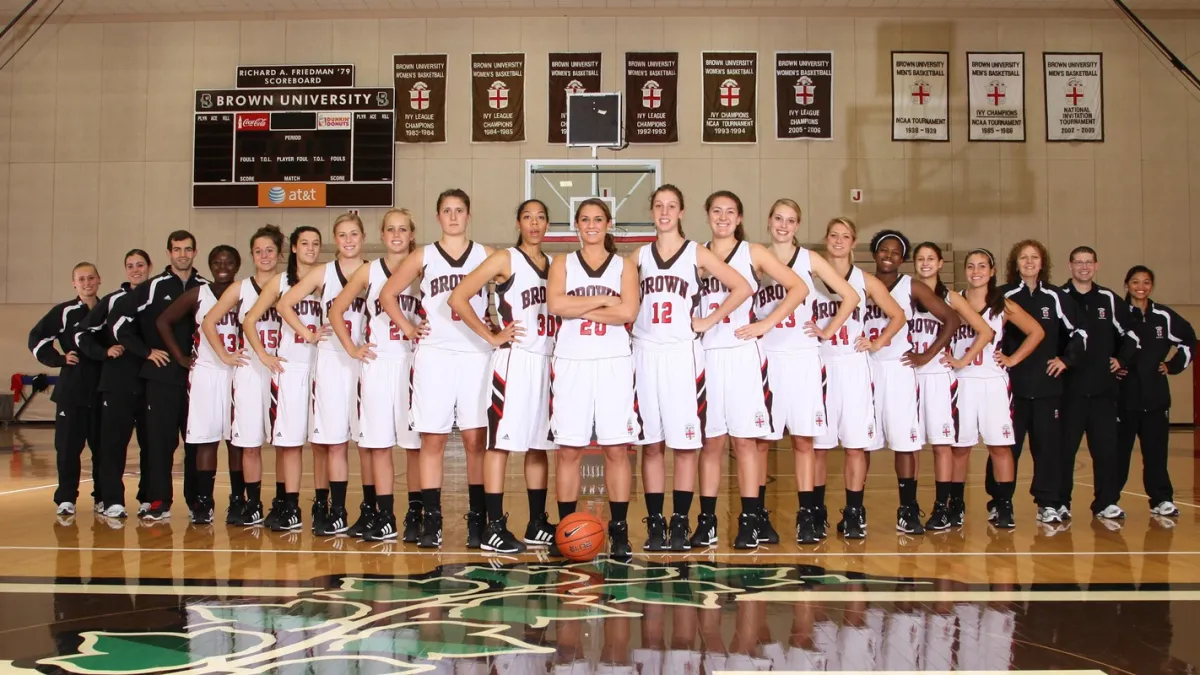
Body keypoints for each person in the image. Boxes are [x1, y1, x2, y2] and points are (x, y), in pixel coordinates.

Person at [631, 184, 751, 552]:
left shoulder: (696, 253)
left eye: (671, 206)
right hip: (645, 353)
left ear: (681, 212)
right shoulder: (637, 257)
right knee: (651, 445)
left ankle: (680, 522)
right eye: (658, 205)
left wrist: (709, 319)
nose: (665, 211)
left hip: (684, 355)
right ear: (651, 212)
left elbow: (742, 287)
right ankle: (655, 523)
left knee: (685, 445)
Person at [379, 188, 494, 549]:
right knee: (433, 439)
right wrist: (409, 327)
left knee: (476, 440)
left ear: (469, 215)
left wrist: (496, 326)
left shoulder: (486, 254)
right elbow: (387, 294)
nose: (454, 216)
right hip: (435, 356)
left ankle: (479, 520)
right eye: (447, 210)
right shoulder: (423, 255)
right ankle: (433, 519)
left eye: (460, 210)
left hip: (476, 353)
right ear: (438, 216)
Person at [694, 191, 807, 550]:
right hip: (706, 353)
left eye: (730, 212)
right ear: (707, 215)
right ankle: (707, 522)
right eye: (717, 211)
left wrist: (767, 323)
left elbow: (799, 287)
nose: (723, 217)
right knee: (711, 443)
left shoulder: (753, 252)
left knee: (745, 441)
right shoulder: (695, 254)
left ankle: (749, 520)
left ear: (740, 218)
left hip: (743, 352)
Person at [450, 199, 558, 554]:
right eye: (528, 217)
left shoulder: (556, 266)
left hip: (546, 362)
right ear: (518, 222)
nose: (535, 223)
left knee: (539, 446)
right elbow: (458, 297)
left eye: (541, 217)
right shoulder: (504, 259)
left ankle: (536, 522)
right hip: (514, 362)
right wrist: (492, 335)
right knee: (500, 444)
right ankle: (494, 526)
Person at [753, 199, 859, 545]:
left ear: (798, 226)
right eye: (779, 218)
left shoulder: (810, 260)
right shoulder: (756, 258)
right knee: (762, 442)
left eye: (791, 220)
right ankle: (758, 517)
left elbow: (851, 296)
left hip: (801, 357)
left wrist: (827, 331)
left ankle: (806, 515)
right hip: (767, 355)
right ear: (769, 221)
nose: (784, 225)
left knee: (803, 440)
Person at [546, 198, 641, 559]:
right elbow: (556, 306)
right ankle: (566, 526)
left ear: (608, 223)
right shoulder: (562, 263)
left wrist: (579, 305)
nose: (591, 225)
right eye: (584, 219)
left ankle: (619, 530)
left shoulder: (624, 266)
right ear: (576, 225)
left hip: (615, 362)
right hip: (572, 361)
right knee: (568, 449)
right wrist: (603, 300)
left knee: (616, 449)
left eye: (597, 219)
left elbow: (628, 311)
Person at [329, 209, 421, 542]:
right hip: (379, 364)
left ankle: (416, 513)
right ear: (382, 235)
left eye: (403, 229)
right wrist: (353, 349)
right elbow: (335, 310)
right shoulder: (369, 271)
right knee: (380, 446)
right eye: (391, 229)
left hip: (413, 363)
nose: (397, 235)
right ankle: (385, 516)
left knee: (414, 448)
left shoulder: (423, 268)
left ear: (412, 234)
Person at [811, 217, 904, 540]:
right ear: (826, 239)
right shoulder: (811, 276)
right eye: (834, 235)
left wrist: (877, 342)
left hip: (852, 365)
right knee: (818, 448)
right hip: (820, 364)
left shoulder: (864, 280)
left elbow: (898, 315)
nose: (839, 240)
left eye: (845, 236)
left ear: (853, 242)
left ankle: (854, 512)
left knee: (854, 446)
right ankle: (816, 511)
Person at [864, 231, 958, 536]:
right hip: (864, 367)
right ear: (875, 254)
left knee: (905, 443)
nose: (888, 255)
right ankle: (857, 511)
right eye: (883, 250)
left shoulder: (911, 286)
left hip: (897, 369)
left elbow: (952, 319)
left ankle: (907, 509)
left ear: (902, 259)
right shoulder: (861, 282)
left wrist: (926, 355)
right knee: (859, 442)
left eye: (895, 252)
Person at [279, 214, 368, 536]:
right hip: (331, 360)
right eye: (342, 235)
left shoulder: (372, 270)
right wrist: (308, 332)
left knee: (367, 441)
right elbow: (284, 304)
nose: (348, 240)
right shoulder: (323, 273)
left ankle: (370, 508)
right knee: (334, 442)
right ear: (336, 239)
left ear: (363, 237)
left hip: (365, 360)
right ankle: (337, 510)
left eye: (354, 234)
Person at [111, 230, 208, 520]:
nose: (182, 254)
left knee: (196, 442)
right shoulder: (153, 287)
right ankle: (158, 501)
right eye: (177, 249)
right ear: (168, 253)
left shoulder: (205, 287)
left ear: (195, 252)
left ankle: (198, 504)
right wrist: (145, 351)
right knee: (159, 442)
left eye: (187, 249)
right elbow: (119, 322)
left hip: (197, 378)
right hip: (161, 378)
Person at [941, 249, 1042, 529]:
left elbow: (1036, 331)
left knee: (1000, 447)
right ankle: (956, 505)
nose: (976, 271)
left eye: (982, 266)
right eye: (971, 266)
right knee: (960, 449)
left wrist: (1012, 359)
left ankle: (1003, 505)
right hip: (961, 381)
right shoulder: (953, 301)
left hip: (993, 382)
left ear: (992, 270)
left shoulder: (1003, 304)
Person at [991, 239, 1085, 525]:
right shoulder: (1003, 295)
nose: (1029, 262)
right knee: (1005, 447)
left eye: (1034, 257)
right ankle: (998, 502)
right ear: (1015, 264)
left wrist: (1065, 360)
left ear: (1042, 263)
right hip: (1010, 388)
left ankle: (1048, 503)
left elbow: (1080, 333)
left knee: (1047, 450)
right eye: (1023, 258)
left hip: (1047, 389)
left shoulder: (1056, 298)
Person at [200, 226, 284, 526]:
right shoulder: (240, 288)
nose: (264, 256)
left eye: (269, 250)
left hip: (283, 369)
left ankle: (285, 502)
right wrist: (225, 354)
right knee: (250, 443)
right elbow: (208, 322)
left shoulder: (291, 284)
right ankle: (253, 502)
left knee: (286, 445)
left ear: (279, 253)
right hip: (250, 370)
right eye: (258, 251)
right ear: (252, 254)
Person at [241, 225, 323, 531]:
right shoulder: (281, 281)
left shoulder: (326, 278)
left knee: (322, 444)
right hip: (289, 368)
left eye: (316, 244)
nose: (311, 249)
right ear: (294, 248)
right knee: (289, 444)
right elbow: (249, 320)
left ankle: (322, 505)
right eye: (305, 243)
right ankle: (290, 506)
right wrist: (263, 355)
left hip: (322, 367)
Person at [909, 242, 995, 529]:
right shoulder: (903, 294)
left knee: (942, 445)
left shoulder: (951, 297)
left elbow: (985, 331)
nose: (925, 263)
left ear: (941, 263)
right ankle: (909, 508)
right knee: (910, 447)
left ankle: (941, 507)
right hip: (908, 376)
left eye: (930, 258)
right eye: (920, 259)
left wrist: (963, 360)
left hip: (939, 378)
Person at [154, 246, 242, 524]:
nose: (222, 266)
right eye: (217, 262)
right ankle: (204, 501)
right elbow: (163, 321)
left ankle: (238, 499)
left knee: (237, 441)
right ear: (211, 265)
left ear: (237, 265)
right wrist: (179, 356)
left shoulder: (246, 292)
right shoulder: (198, 293)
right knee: (206, 441)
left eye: (228, 261)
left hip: (238, 372)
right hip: (206, 372)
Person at [1061, 246, 1139, 521]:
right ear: (1070, 266)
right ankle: (1060, 504)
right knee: (1063, 452)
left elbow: (1131, 336)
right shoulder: (1060, 297)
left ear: (1097, 266)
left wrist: (1122, 360)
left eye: (1088, 262)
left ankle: (1106, 502)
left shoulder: (1108, 299)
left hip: (1104, 393)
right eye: (1078, 262)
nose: (1084, 267)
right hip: (1068, 392)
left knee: (1106, 451)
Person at [75, 250, 153, 519]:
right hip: (117, 383)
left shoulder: (157, 297)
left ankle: (148, 499)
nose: (135, 270)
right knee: (113, 444)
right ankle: (112, 500)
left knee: (152, 445)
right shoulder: (112, 301)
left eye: (140, 265)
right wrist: (103, 352)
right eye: (130, 265)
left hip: (151, 383)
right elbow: (83, 334)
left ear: (149, 267)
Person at [1116, 265, 1195, 518]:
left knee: (1156, 454)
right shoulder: (1118, 314)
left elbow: (1189, 339)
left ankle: (1161, 500)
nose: (1141, 286)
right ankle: (1108, 501)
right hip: (1123, 398)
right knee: (1118, 454)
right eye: (1135, 281)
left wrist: (1172, 365)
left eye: (1146, 282)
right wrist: (1112, 369)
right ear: (1127, 284)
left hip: (1156, 397)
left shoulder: (1164, 316)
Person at [29, 262, 103, 516]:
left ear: (99, 280)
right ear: (74, 283)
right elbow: (37, 338)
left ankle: (102, 497)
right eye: (81, 279)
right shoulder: (64, 312)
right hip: (72, 392)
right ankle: (66, 498)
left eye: (90, 278)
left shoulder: (108, 309)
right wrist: (59, 359)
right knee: (68, 449)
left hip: (102, 391)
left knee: (104, 450)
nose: (86, 283)